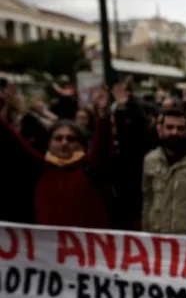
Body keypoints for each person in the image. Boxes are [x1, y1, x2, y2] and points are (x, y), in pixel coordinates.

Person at [0, 85, 114, 228]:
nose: (64, 143)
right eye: (58, 138)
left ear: (81, 144)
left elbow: (102, 147)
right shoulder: (40, 168)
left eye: (71, 139)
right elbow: (13, 141)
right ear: (49, 143)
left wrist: (103, 116)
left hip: (85, 247)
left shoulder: (89, 169)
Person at [142, 108, 186, 234]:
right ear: (161, 130)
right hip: (156, 237)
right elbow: (148, 200)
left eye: (180, 128)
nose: (174, 132)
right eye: (169, 127)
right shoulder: (151, 160)